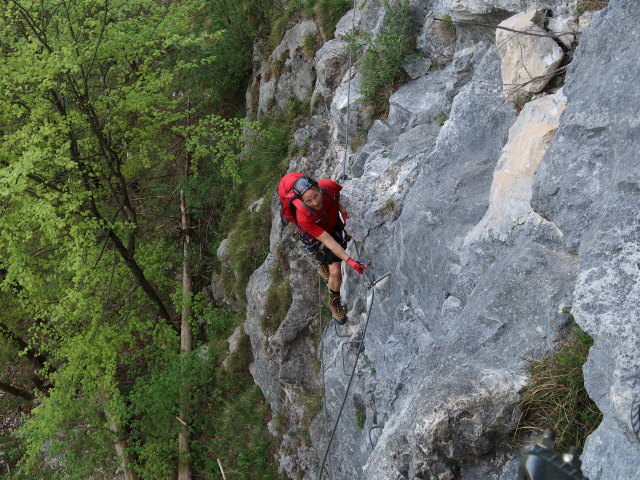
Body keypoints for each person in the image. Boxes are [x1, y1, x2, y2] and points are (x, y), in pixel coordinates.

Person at [290, 176, 367, 324]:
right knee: (335, 272)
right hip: (317, 236)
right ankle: (334, 302)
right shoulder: (303, 217)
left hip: (331, 224)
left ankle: (323, 263)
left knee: (331, 264)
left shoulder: (329, 186)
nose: (315, 202)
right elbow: (328, 241)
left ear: (319, 189)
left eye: (316, 196)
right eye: (309, 201)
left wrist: (343, 212)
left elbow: (338, 197)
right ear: (302, 203)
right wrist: (350, 261)